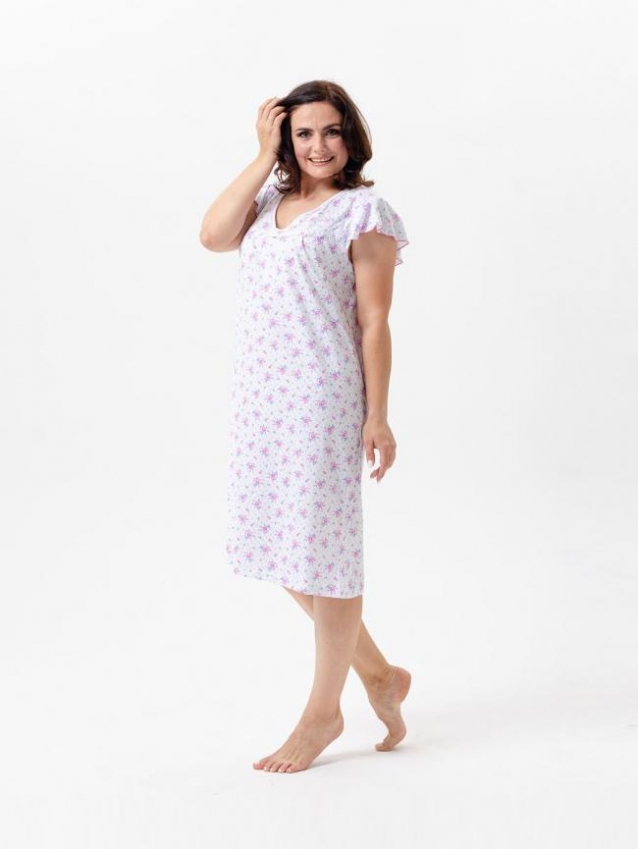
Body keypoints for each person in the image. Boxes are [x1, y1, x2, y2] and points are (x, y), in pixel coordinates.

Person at [199, 80, 411, 773]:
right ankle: (380, 674)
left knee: (326, 554)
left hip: (322, 397)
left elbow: (374, 321)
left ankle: (324, 713)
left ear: (351, 136)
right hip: (261, 399)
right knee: (279, 543)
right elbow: (211, 235)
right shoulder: (267, 202)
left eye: (331, 131)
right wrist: (263, 156)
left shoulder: (362, 211)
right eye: (303, 133)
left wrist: (377, 414)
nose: (319, 146)